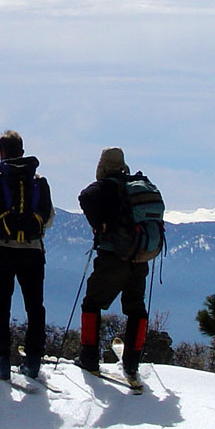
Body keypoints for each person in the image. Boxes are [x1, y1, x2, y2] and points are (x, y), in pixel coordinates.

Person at [0, 130, 54, 380]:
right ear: (22, 151)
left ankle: (1, 362)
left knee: (0, 307)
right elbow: (49, 216)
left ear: (0, 152)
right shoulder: (38, 179)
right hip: (32, 250)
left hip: (1, 250)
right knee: (35, 306)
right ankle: (32, 361)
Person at [75, 147, 152, 384]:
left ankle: (89, 357)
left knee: (92, 303)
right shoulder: (138, 186)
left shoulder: (105, 186)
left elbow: (84, 197)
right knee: (136, 308)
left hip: (113, 257)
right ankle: (132, 363)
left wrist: (99, 224)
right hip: (139, 257)